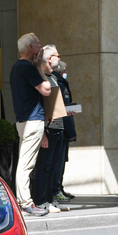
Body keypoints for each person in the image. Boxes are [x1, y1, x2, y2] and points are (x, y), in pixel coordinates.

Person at [10, 33, 51, 216]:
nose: (40, 47)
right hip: (32, 121)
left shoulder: (16, 67)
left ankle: (23, 201)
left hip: (23, 120)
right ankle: (26, 202)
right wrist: (40, 66)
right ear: (30, 48)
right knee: (26, 165)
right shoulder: (28, 67)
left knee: (24, 163)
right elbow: (46, 89)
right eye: (37, 44)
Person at [32, 45, 69, 213]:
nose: (59, 58)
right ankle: (41, 200)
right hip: (48, 129)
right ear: (49, 59)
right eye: (57, 55)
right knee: (44, 166)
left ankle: (50, 199)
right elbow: (39, 105)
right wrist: (43, 133)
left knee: (53, 166)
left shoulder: (53, 77)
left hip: (58, 128)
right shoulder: (42, 78)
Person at [52, 60, 77, 201]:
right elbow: (62, 109)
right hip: (60, 128)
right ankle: (56, 190)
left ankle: (58, 188)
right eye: (65, 70)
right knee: (58, 162)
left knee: (61, 161)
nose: (66, 73)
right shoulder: (60, 84)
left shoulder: (60, 83)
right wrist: (71, 132)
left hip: (62, 127)